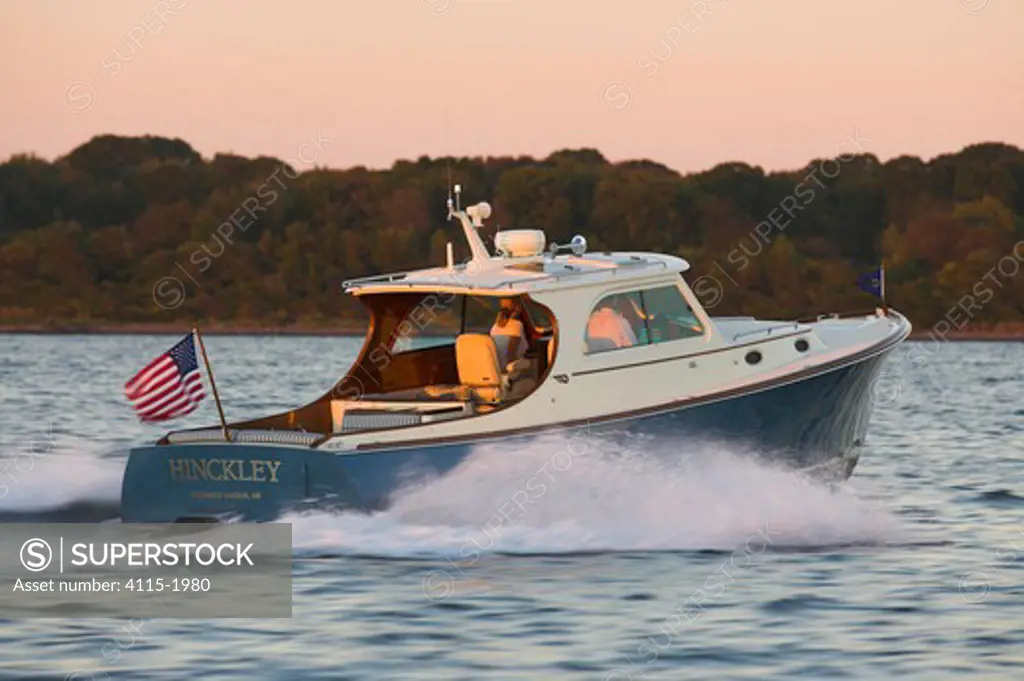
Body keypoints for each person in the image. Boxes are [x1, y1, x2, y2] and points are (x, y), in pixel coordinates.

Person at [490, 298, 528, 368]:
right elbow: (511, 354)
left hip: (495, 369)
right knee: (530, 363)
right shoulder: (517, 325)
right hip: (506, 370)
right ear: (517, 308)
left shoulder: (494, 326)